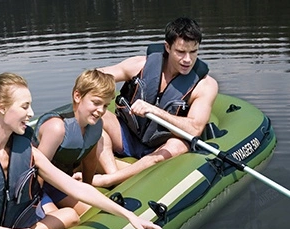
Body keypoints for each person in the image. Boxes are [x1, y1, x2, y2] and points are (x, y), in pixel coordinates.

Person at [0, 72, 167, 229]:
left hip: (16, 221)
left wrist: (130, 217)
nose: (32, 113)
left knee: (68, 215)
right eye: (25, 106)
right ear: (2, 107)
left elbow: (77, 188)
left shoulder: (27, 151)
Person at [92, 17, 219, 189]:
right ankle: (114, 173)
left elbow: (195, 129)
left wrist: (155, 111)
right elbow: (94, 78)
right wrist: (99, 96)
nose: (187, 59)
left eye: (193, 52)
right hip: (127, 135)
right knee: (95, 118)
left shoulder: (205, 85)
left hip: (162, 144)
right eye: (181, 52)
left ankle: (109, 180)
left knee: (179, 145)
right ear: (167, 47)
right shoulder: (140, 65)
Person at [33, 69, 116, 218]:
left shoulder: (96, 126)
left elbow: (90, 160)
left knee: (94, 211)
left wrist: (87, 190)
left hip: (59, 183)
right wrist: (33, 203)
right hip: (35, 186)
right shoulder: (57, 128)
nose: (101, 110)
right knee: (58, 218)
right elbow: (38, 170)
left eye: (105, 105)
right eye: (96, 103)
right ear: (77, 96)